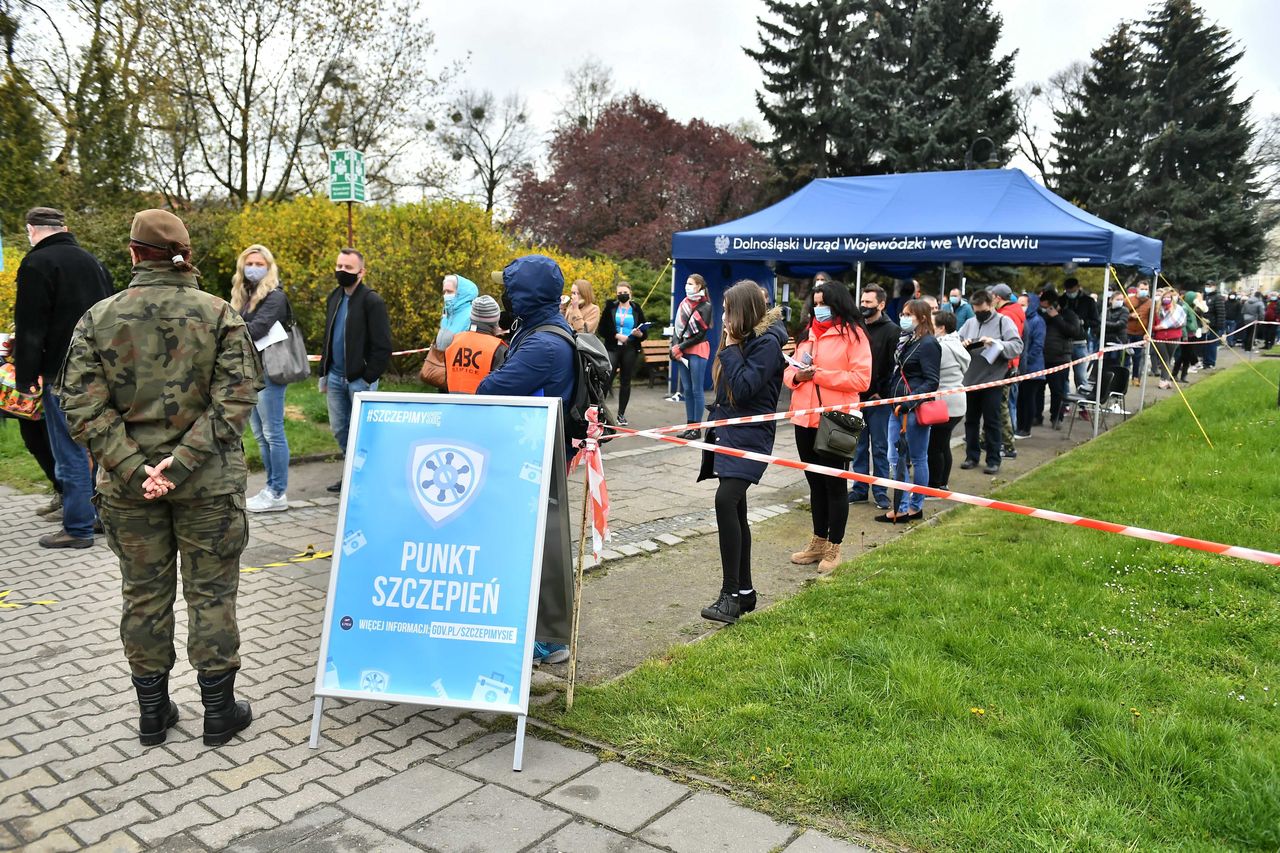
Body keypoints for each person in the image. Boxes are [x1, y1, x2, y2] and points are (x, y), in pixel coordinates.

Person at [58, 209, 260, 747]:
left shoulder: (98, 319)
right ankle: (218, 714)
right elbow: (236, 397)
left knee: (143, 596)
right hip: (208, 484)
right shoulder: (219, 315)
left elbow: (79, 403)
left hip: (129, 490)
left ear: (132, 254)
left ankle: (153, 714)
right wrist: (185, 461)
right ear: (186, 255)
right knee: (211, 595)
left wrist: (132, 466)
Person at [477, 256, 577, 665]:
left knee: (538, 546)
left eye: (511, 288)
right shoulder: (539, 328)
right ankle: (541, 632)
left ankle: (548, 640)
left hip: (536, 459)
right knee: (538, 542)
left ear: (525, 294)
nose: (505, 295)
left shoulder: (543, 344)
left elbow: (490, 390)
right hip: (535, 454)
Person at [13, 206, 114, 548]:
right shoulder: (93, 262)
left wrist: (26, 375)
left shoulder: (36, 264)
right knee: (98, 446)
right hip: (100, 369)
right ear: (63, 227)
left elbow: (31, 325)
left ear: (32, 229)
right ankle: (100, 517)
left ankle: (78, 527)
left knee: (68, 449)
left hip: (61, 370)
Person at [698, 281, 787, 624]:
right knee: (736, 509)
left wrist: (732, 348)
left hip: (750, 438)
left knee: (726, 502)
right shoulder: (743, 341)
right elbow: (725, 388)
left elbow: (746, 388)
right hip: (729, 434)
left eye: (727, 310)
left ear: (744, 311)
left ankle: (730, 594)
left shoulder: (765, 344)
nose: (723, 316)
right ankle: (745, 592)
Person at [784, 282, 870, 572]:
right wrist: (797, 378)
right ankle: (817, 541)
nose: (818, 308)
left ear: (838, 305)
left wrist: (819, 375)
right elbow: (788, 372)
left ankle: (835, 547)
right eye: (815, 302)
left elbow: (861, 380)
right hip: (804, 417)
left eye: (824, 303)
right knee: (814, 483)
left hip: (835, 421)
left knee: (835, 485)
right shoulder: (806, 334)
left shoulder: (853, 335)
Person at [319, 248, 392, 493]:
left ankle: (365, 477)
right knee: (340, 429)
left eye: (348, 268)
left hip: (359, 380)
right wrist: (325, 372)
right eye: (339, 266)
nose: (342, 271)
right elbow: (329, 336)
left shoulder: (372, 301)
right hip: (335, 377)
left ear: (361, 272)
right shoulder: (334, 297)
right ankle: (352, 472)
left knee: (362, 431)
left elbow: (383, 346)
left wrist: (367, 376)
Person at [230, 245, 291, 513]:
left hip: (270, 372)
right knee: (259, 433)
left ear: (269, 266)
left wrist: (229, 331)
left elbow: (256, 329)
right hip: (250, 373)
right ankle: (269, 488)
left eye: (259, 263)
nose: (253, 267)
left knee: (273, 432)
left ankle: (278, 491)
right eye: (249, 262)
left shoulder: (275, 297)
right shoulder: (245, 295)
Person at [878, 300, 940, 523]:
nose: (903, 318)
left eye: (908, 314)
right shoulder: (908, 341)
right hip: (897, 407)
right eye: (902, 313)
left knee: (915, 457)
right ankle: (905, 506)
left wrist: (909, 403)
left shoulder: (928, 343)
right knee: (895, 456)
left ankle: (910, 507)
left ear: (922, 317)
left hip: (913, 411)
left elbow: (931, 381)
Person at [958, 290, 1023, 475]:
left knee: (992, 421)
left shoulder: (1004, 322)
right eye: (975, 310)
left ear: (991, 305)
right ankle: (971, 456)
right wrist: (963, 343)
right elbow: (957, 340)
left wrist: (996, 343)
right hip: (970, 380)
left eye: (982, 310)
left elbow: (1017, 346)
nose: (979, 313)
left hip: (993, 381)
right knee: (970, 420)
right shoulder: (970, 323)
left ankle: (994, 459)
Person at [847, 285, 898, 510]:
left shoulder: (892, 331)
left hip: (878, 400)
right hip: (856, 397)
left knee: (879, 447)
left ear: (881, 304)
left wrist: (883, 392)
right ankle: (859, 488)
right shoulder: (855, 327)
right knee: (857, 446)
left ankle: (880, 491)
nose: (864, 306)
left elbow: (893, 365)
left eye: (869, 302)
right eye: (863, 302)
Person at [927, 310, 970, 489]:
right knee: (943, 444)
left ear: (941, 328)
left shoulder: (940, 346)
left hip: (944, 403)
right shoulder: (956, 344)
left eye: (931, 323)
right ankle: (942, 483)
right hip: (957, 401)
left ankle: (935, 485)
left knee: (935, 447)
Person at [671, 274, 714, 439]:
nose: (687, 286)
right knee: (687, 390)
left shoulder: (706, 306)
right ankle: (689, 426)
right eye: (687, 283)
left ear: (699, 287)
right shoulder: (683, 303)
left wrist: (680, 346)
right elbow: (677, 329)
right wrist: (675, 347)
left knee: (697, 390)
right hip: (682, 352)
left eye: (691, 284)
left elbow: (700, 334)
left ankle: (697, 428)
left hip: (697, 350)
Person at [599, 281, 647, 425]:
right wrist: (615, 335)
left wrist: (639, 334)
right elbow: (602, 329)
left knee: (626, 381)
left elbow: (644, 333)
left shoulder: (636, 308)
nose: (622, 295)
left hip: (630, 347)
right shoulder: (610, 307)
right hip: (613, 346)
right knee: (607, 378)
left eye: (625, 292)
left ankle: (621, 414)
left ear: (630, 293)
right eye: (619, 293)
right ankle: (600, 412)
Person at [441, 295, 509, 394]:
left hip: (454, 404)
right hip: (483, 407)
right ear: (496, 321)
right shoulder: (499, 348)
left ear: (472, 317)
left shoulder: (454, 341)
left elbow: (447, 378)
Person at [1039, 290, 1083, 427]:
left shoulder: (1069, 315)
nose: (1045, 309)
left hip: (1060, 358)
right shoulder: (1042, 316)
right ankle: (1036, 415)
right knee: (1038, 390)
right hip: (1042, 357)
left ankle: (1056, 417)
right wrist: (1047, 316)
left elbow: (1074, 332)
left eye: (1047, 306)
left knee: (1057, 390)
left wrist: (1057, 317)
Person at [991, 284, 1024, 460]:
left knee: (1001, 406)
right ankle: (986, 438)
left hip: (1005, 366)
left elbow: (1009, 343)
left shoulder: (1006, 315)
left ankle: (1009, 446)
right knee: (1000, 404)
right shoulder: (1015, 311)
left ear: (997, 297)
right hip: (1011, 364)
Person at [1015, 292, 1046, 437]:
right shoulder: (1022, 320)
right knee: (1021, 399)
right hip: (1024, 367)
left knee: (1028, 399)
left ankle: (1026, 428)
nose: (1020, 307)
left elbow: (1037, 345)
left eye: (1023, 305)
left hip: (1033, 368)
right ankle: (1020, 426)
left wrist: (1026, 362)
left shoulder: (1037, 321)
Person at [1062, 277, 1098, 390]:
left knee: (1081, 376)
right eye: (1068, 291)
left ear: (1078, 287)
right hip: (1063, 342)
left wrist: (1083, 322)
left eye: (1072, 291)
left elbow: (1096, 321)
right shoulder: (1062, 300)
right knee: (1063, 376)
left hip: (1080, 341)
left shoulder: (1088, 301)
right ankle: (1065, 403)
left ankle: (1083, 403)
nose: (1070, 293)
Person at [1150, 290, 1185, 388]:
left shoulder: (1178, 310)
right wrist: (1156, 328)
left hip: (1173, 337)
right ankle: (1164, 380)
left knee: (1168, 358)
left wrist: (1166, 326)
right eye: (1164, 297)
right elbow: (1151, 325)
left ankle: (1166, 379)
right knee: (1164, 358)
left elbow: (1182, 322)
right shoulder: (1156, 310)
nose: (1166, 299)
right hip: (1160, 338)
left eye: (1169, 297)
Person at [1124, 282, 1153, 383]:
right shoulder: (1128, 301)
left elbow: (1151, 319)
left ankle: (1136, 377)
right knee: (1126, 356)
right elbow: (1122, 314)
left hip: (1141, 333)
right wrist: (1130, 316)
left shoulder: (1150, 302)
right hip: (1128, 332)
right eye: (1142, 288)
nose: (1144, 291)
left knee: (1138, 357)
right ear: (1137, 289)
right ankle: (1124, 378)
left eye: (1146, 289)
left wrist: (1148, 333)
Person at [1173, 289, 1202, 383]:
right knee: (1183, 356)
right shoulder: (1185, 308)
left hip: (1191, 334)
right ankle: (1175, 374)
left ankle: (1183, 375)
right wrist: (1185, 336)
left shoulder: (1191, 308)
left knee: (1187, 356)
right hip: (1186, 336)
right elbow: (1183, 323)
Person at [1103, 290, 1130, 367]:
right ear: (1111, 300)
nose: (1120, 301)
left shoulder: (1124, 310)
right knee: (1105, 361)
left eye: (1121, 299)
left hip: (1118, 340)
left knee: (1115, 361)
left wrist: (1106, 324)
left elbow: (1120, 324)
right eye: (1117, 299)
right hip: (1106, 340)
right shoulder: (1106, 311)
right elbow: (1099, 322)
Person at [1202, 283, 1226, 366]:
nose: (1207, 288)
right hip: (1205, 323)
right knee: (1205, 344)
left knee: (1212, 344)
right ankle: (1205, 361)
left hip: (1213, 324)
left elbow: (1221, 313)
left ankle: (1211, 361)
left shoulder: (1218, 297)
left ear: (1214, 287)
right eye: (1206, 286)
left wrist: (1220, 325)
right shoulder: (1206, 296)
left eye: (1209, 286)